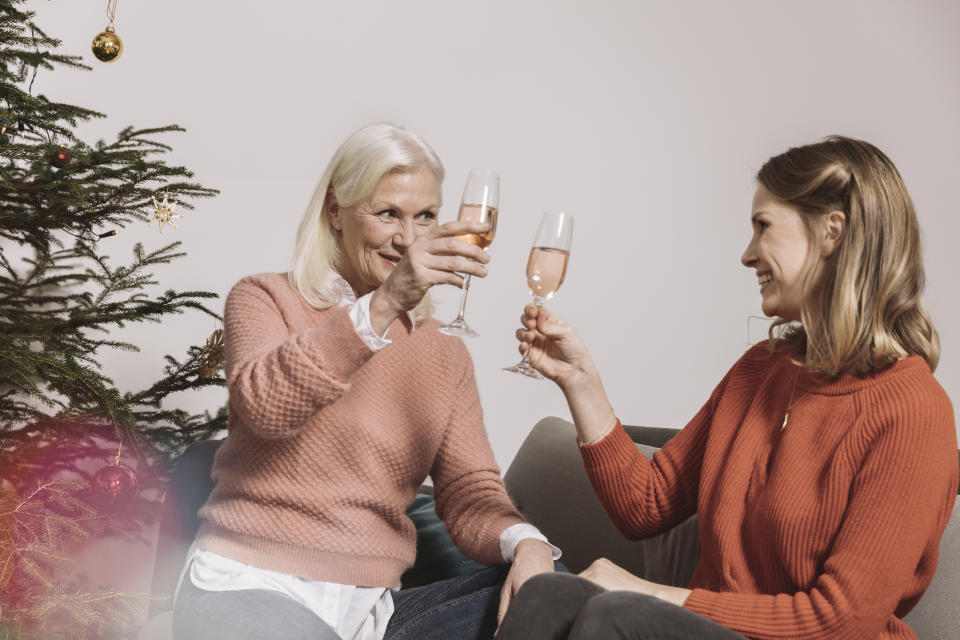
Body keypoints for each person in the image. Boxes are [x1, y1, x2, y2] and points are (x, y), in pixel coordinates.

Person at [497, 136, 958, 640]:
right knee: (546, 594)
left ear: (832, 232)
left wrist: (645, 592)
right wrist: (578, 379)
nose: (747, 254)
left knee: (614, 614)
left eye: (763, 227)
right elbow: (645, 504)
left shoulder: (912, 411)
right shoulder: (760, 371)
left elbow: (840, 620)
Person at [171, 122, 557, 640]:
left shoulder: (444, 351)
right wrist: (385, 304)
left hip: (374, 614)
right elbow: (265, 405)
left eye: (425, 216)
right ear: (335, 210)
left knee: (559, 598)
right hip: (247, 586)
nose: (408, 237)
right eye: (387, 214)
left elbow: (470, 491)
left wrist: (529, 544)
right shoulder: (263, 298)